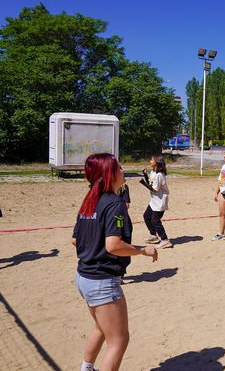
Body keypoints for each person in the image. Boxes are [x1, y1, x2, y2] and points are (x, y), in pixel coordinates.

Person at [72, 153, 157, 371]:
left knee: (101, 327)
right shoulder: (114, 204)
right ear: (108, 174)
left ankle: (86, 368)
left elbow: (75, 240)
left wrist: (93, 250)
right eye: (118, 167)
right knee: (119, 341)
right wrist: (142, 250)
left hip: (84, 277)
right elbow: (113, 245)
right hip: (101, 280)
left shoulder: (89, 199)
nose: (122, 169)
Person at [141, 155, 171, 249]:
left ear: (157, 162)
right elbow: (150, 183)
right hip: (154, 200)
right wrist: (145, 175)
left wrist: (143, 183)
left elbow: (154, 189)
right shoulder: (153, 172)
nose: (150, 161)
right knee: (146, 216)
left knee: (155, 220)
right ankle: (154, 235)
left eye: (152, 160)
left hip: (160, 201)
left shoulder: (159, 175)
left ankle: (165, 240)